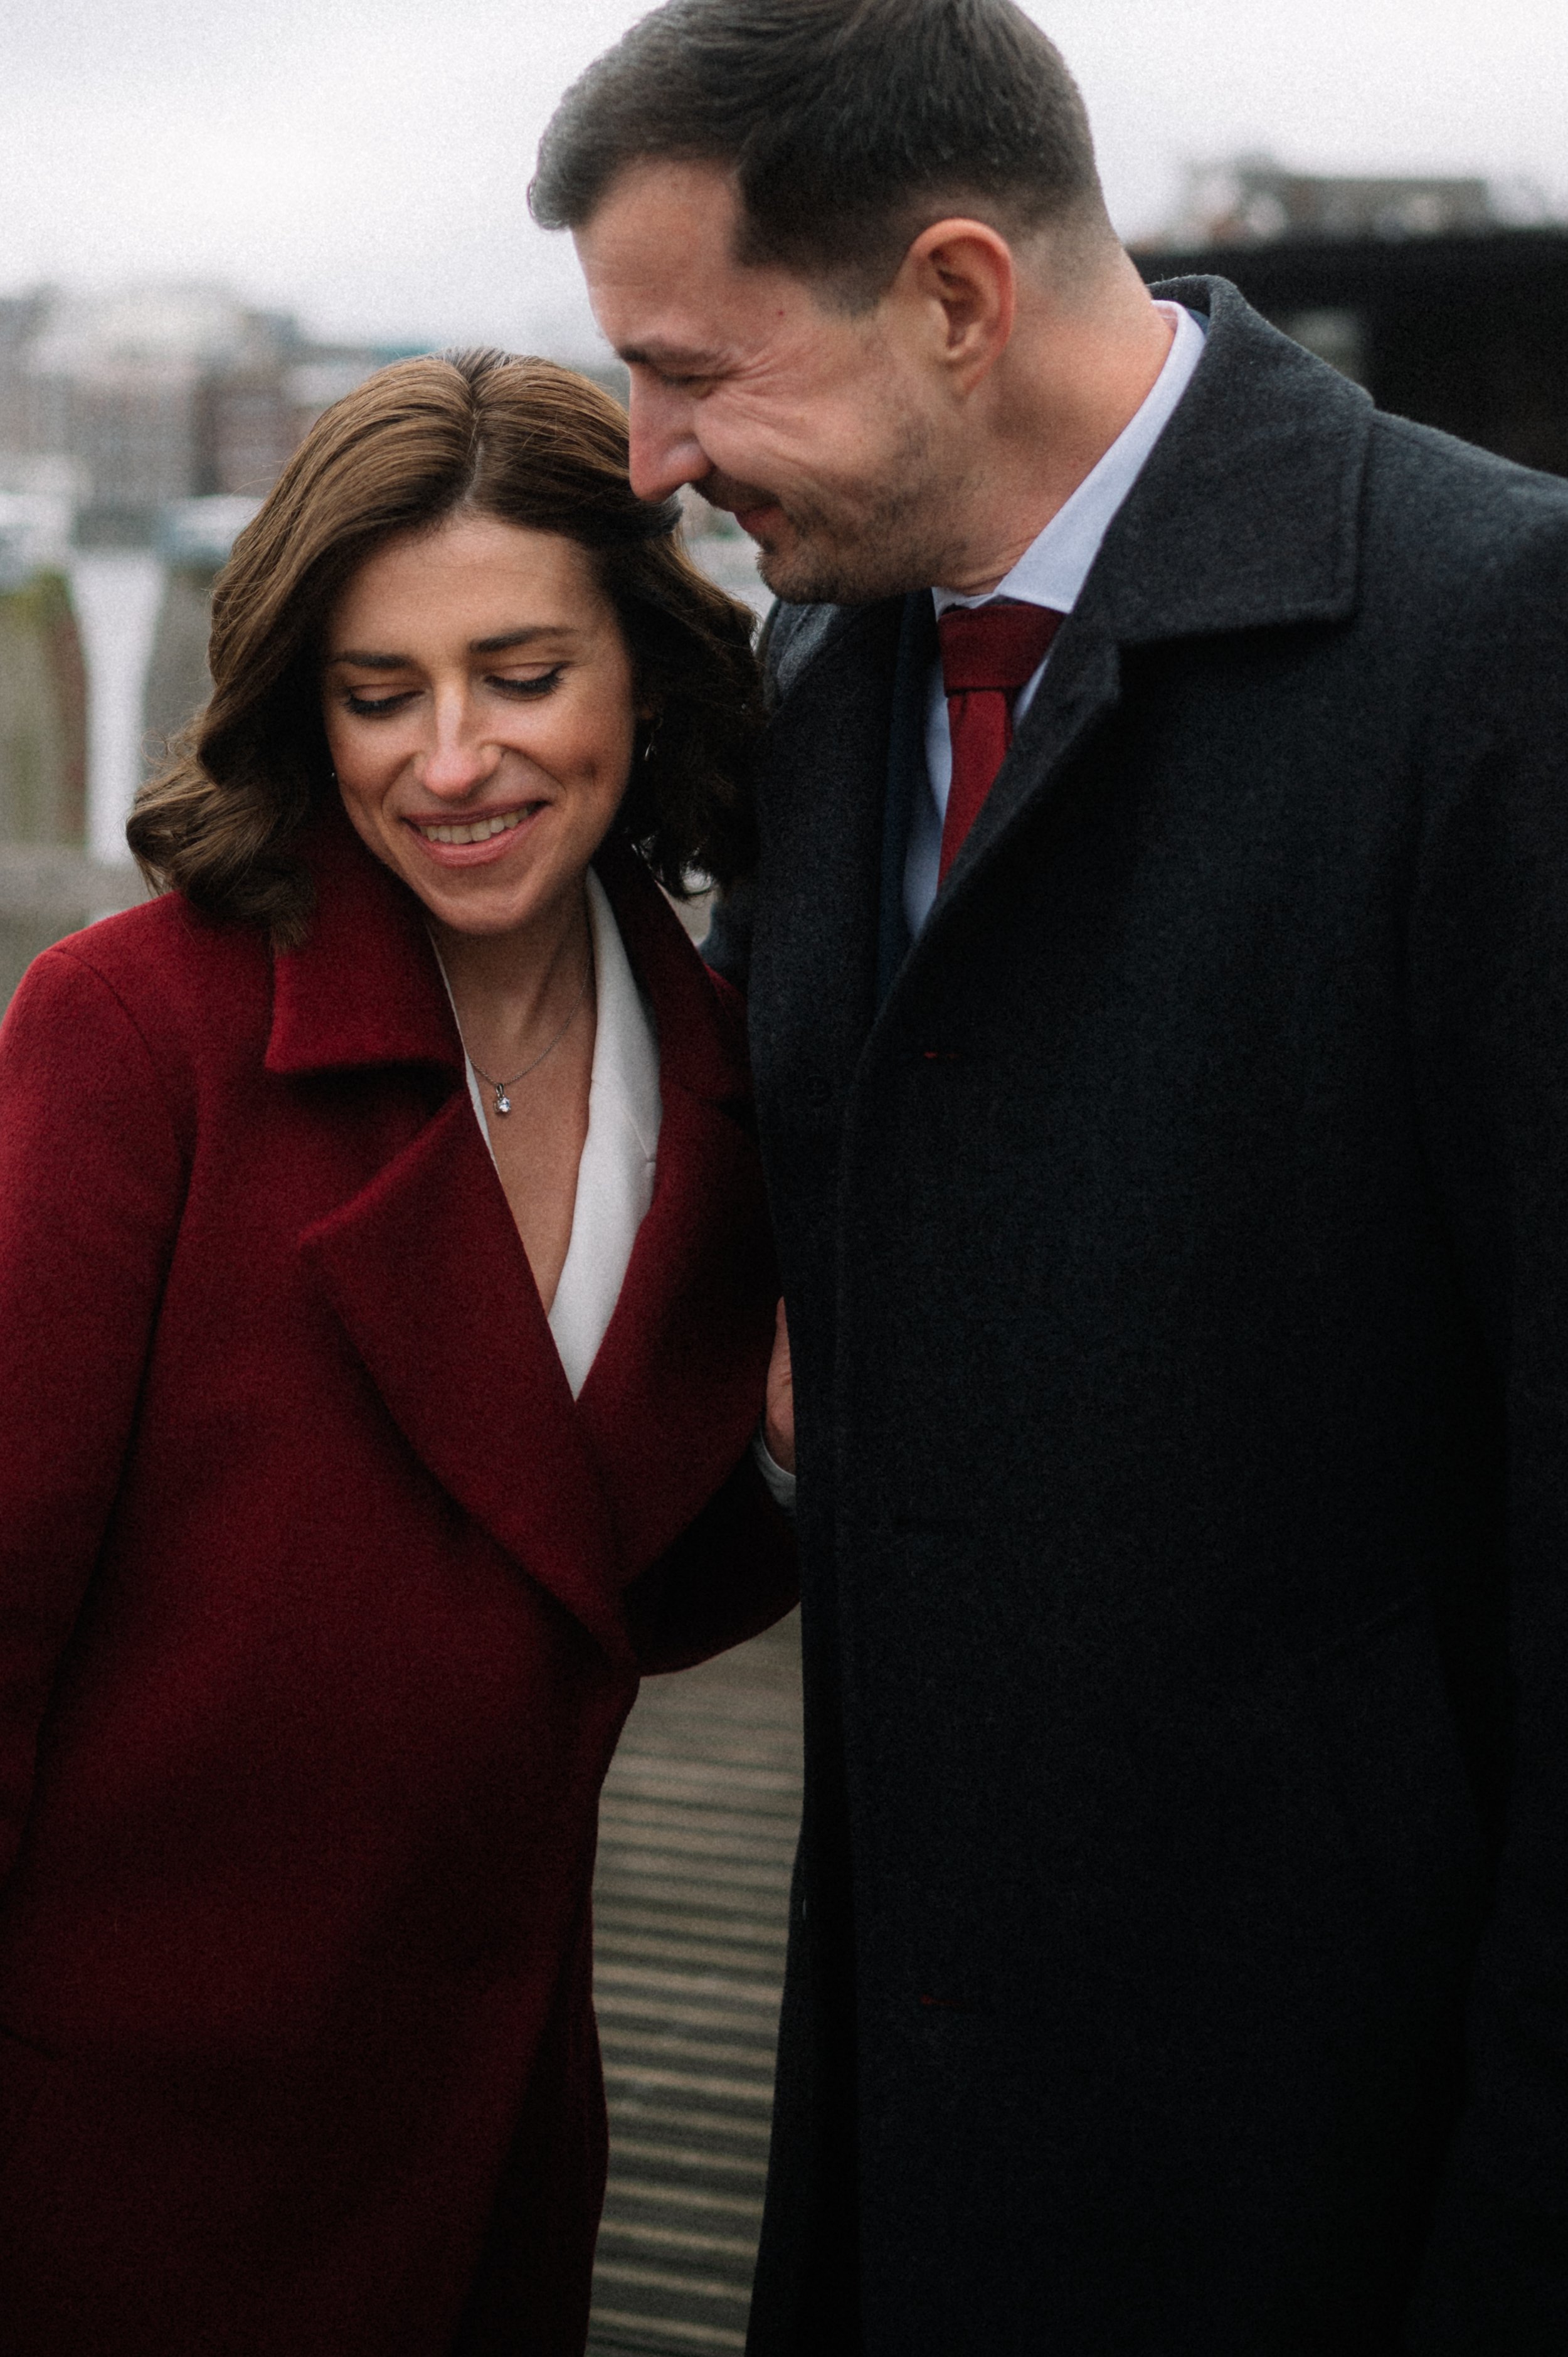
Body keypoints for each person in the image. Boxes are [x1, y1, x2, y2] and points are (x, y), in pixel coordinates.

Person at [532, 2, 1568, 2350]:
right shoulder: (829, 647)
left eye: (693, 368)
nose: (647, 457)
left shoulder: (1504, 644)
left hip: (1329, 2156)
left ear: (958, 296)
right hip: (910, 2088)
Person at [0, 349, 797, 2357]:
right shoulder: (138, 1030)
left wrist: (787, 1465)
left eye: (521, 675)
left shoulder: (732, 1072)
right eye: (379, 695)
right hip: (101, 2129)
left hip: (484, 2118)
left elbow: (595, 1585)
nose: (450, 760)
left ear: (644, 664)